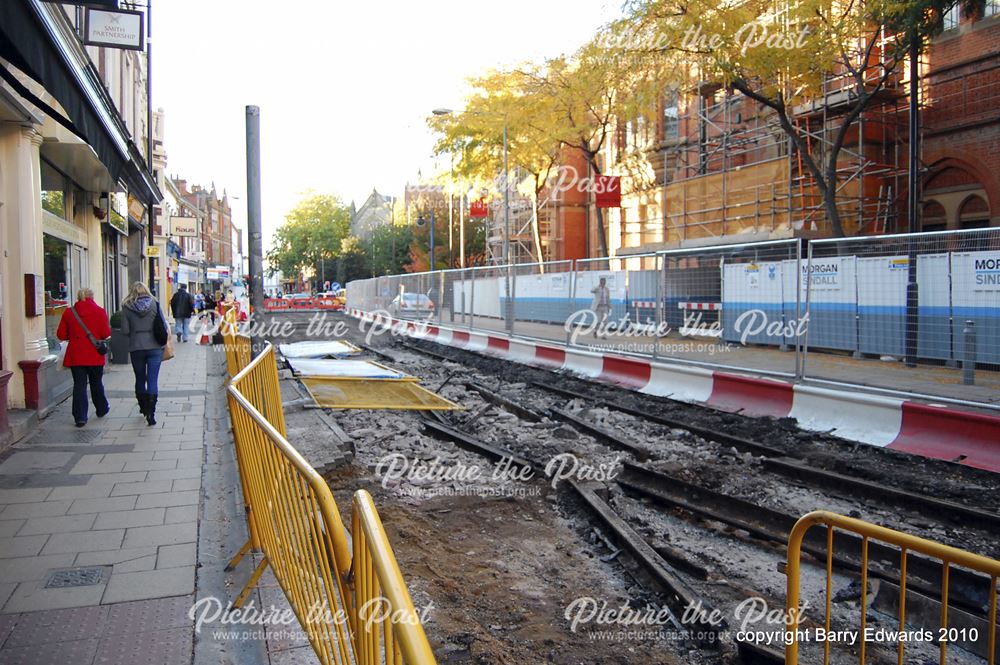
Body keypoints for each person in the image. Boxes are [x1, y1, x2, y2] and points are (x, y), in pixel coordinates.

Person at [56, 287, 111, 427]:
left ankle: (80, 417)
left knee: (79, 385)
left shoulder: (69, 313)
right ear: (92, 297)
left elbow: (61, 335)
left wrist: (74, 336)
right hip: (94, 354)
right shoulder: (100, 311)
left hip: (76, 355)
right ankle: (101, 408)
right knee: (96, 382)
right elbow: (105, 333)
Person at [121, 281, 165, 426]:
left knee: (140, 378)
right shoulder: (155, 304)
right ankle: (151, 413)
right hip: (154, 346)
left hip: (136, 346)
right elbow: (163, 325)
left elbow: (125, 331)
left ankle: (143, 407)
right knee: (153, 379)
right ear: (146, 290)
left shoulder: (126, 307)